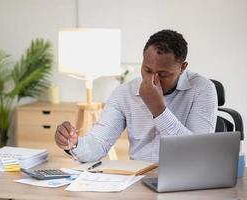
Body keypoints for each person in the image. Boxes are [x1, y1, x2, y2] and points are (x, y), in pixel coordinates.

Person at [55, 29, 218, 163]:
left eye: (163, 74)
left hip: (185, 178)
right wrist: (73, 144)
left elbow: (197, 153)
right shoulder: (124, 93)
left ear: (182, 67)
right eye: (147, 70)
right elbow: (98, 143)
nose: (153, 80)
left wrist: (159, 110)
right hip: (139, 180)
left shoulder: (202, 89)